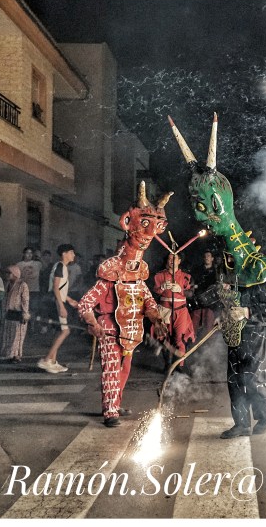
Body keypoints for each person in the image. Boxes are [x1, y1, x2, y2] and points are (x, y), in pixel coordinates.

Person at [169, 113, 266, 438]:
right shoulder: (227, 263)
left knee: (249, 375)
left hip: (253, 328)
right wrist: (186, 301)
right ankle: (241, 422)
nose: (201, 214)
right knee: (234, 376)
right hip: (233, 329)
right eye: (197, 206)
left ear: (222, 205)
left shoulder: (257, 265)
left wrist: (246, 311)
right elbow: (216, 291)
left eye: (206, 206)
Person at [79, 182, 168, 427]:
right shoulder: (109, 275)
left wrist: (156, 318)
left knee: (125, 370)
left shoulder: (138, 275)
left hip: (131, 332)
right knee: (111, 370)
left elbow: (147, 299)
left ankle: (115, 404)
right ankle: (110, 412)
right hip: (109, 330)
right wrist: (93, 323)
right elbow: (85, 303)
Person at [37, 244, 79, 373]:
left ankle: (52, 362)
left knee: (59, 331)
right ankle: (46, 359)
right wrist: (61, 306)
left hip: (57, 300)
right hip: (56, 302)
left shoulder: (62, 267)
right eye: (71, 252)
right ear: (64, 254)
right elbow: (55, 287)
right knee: (65, 331)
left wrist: (69, 300)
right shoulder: (60, 266)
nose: (73, 255)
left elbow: (60, 289)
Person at [153, 252, 195, 367]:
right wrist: (161, 288)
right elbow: (152, 293)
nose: (171, 261)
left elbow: (191, 293)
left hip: (180, 312)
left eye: (174, 258)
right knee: (164, 339)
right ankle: (167, 365)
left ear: (179, 261)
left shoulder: (186, 276)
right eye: (169, 258)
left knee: (180, 339)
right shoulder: (159, 276)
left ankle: (178, 366)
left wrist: (180, 289)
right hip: (164, 311)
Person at [0, 265, 30, 363]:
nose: (7, 275)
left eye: (9, 273)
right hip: (9, 313)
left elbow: (25, 300)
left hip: (18, 313)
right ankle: (9, 354)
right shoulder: (7, 284)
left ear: (15, 274)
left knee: (17, 335)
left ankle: (16, 356)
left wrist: (25, 313)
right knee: (9, 335)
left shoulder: (22, 285)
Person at [189, 249, 218, 338]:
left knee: (208, 325)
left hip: (211, 303)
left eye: (208, 256)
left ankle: (208, 343)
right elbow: (192, 283)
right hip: (197, 302)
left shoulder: (216, 272)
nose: (206, 258)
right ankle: (192, 342)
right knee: (194, 324)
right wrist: (194, 287)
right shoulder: (197, 270)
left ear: (212, 258)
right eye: (205, 256)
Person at [15, 247, 42, 331]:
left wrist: (39, 256)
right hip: (23, 290)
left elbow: (45, 266)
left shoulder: (38, 264)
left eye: (31, 253)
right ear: (24, 254)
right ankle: (23, 326)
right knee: (22, 308)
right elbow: (16, 277)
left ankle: (32, 326)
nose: (29, 255)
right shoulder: (19, 264)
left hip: (34, 290)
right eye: (27, 253)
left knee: (33, 308)